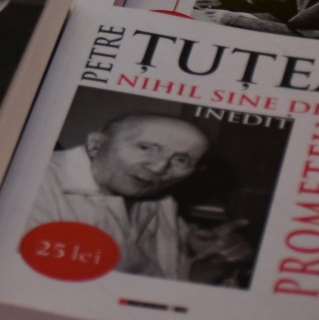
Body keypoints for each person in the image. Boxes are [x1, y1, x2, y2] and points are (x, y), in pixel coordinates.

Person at [27, 113, 252, 283]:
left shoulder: (161, 199)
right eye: (146, 148)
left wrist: (217, 260)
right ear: (96, 145)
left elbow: (169, 279)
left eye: (182, 160)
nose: (158, 167)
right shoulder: (34, 182)